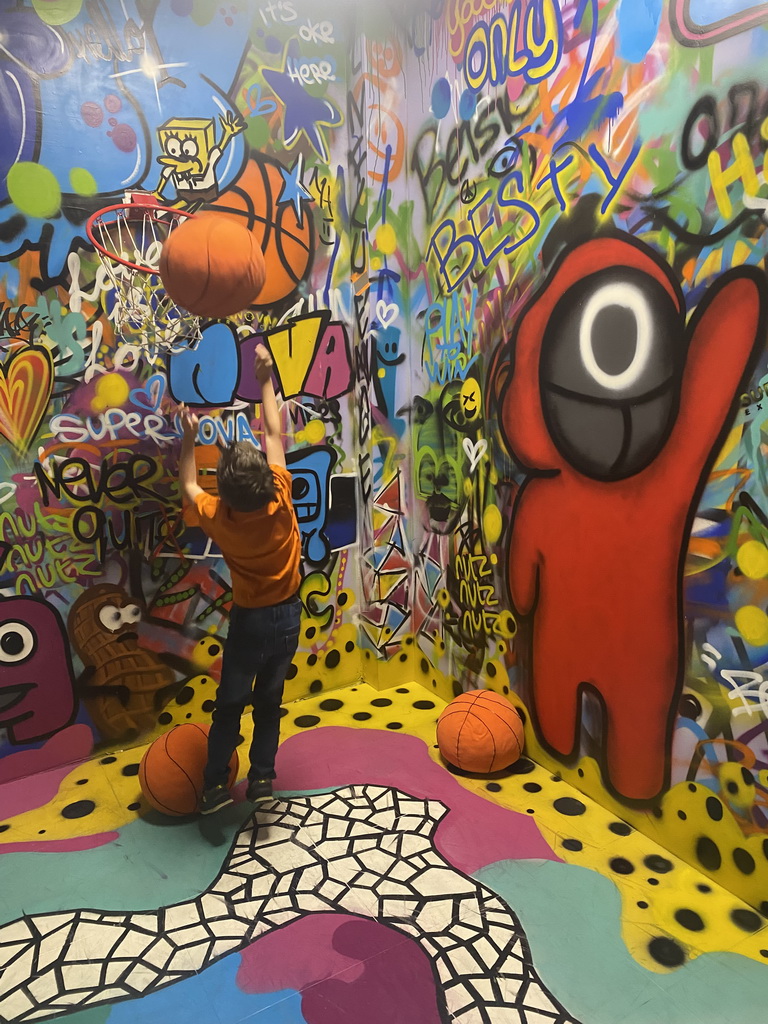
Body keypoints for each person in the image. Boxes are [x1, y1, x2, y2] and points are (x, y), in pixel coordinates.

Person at [178, 343, 301, 814]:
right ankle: (262, 780)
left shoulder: (219, 516)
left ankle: (213, 788)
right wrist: (265, 378)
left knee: (230, 706)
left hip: (249, 622)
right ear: (267, 481)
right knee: (269, 702)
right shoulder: (281, 498)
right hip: (288, 618)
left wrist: (189, 441)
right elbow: (273, 430)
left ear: (224, 491)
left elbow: (190, 485)